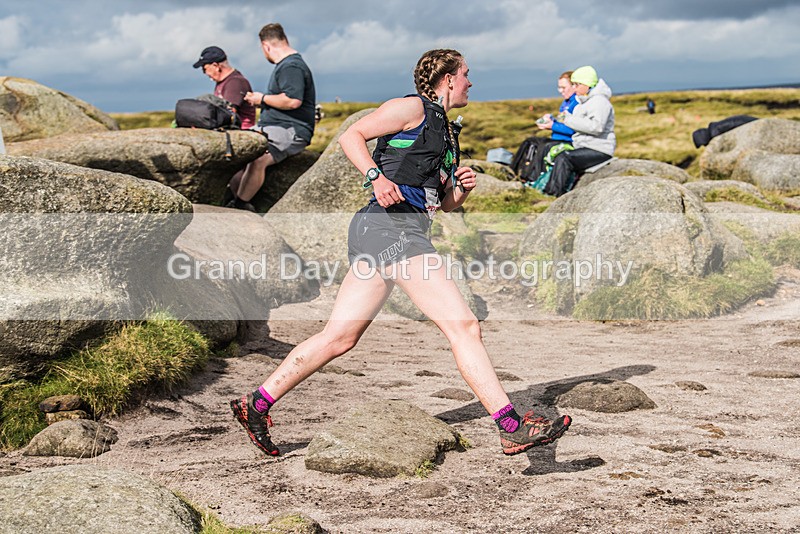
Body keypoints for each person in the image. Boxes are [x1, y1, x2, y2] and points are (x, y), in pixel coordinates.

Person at [229, 49, 572, 458]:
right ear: (447, 79)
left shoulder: (446, 132)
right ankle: (510, 426)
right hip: (392, 227)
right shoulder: (411, 108)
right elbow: (350, 136)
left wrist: (459, 188)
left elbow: (443, 203)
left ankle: (257, 404)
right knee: (463, 325)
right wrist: (375, 176)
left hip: (389, 229)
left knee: (339, 337)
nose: (470, 82)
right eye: (466, 75)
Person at [226, 23, 316, 212]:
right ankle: (234, 197)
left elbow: (293, 101)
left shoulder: (291, 66)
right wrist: (263, 102)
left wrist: (262, 98)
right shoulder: (287, 65)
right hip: (275, 126)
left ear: (266, 46)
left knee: (258, 159)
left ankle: (241, 205)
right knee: (237, 150)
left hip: (291, 129)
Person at [538, 65, 615, 196]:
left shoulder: (600, 101)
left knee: (565, 158)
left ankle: (552, 194)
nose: (574, 88)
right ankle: (546, 189)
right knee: (556, 152)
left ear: (587, 84)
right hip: (584, 146)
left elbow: (596, 127)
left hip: (599, 149)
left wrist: (568, 120)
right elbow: (578, 123)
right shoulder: (584, 101)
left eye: (576, 84)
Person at [193, 46, 256, 129]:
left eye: (205, 69)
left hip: (240, 132)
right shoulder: (223, 82)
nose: (205, 73)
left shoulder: (235, 83)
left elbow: (228, 113)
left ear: (215, 66)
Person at [537, 70, 579, 143]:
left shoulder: (577, 103)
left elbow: (575, 129)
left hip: (568, 142)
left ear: (574, 86)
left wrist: (552, 126)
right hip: (557, 140)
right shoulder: (566, 102)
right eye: (559, 87)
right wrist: (551, 120)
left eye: (563, 87)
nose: (560, 91)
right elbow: (562, 121)